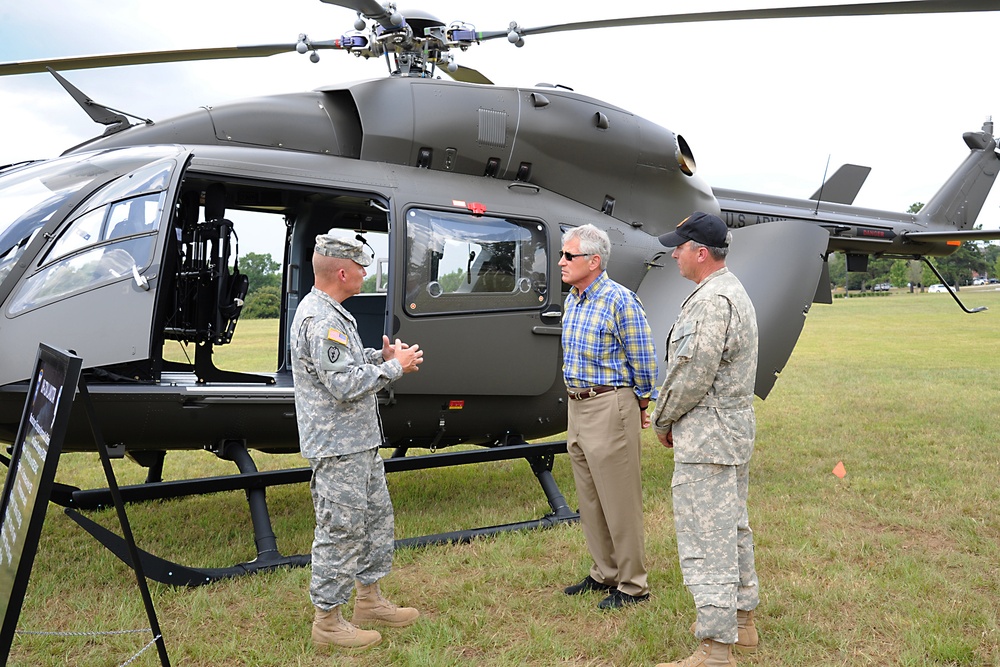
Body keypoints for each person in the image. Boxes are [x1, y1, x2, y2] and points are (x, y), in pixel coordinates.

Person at [290, 230, 424, 651]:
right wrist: (395, 369)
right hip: (338, 447)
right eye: (362, 268)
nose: (367, 274)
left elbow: (342, 365)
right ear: (342, 271)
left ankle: (369, 601)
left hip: (357, 443)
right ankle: (327, 622)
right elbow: (344, 385)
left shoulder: (331, 311)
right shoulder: (322, 318)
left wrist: (377, 358)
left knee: (374, 521)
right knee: (341, 530)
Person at [650, 212, 760, 667]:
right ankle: (744, 622)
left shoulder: (712, 300)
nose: (673, 252)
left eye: (679, 245)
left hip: (709, 436)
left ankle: (716, 649)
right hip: (728, 432)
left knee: (707, 536)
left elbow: (692, 374)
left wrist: (662, 418)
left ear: (700, 252)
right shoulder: (730, 290)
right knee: (732, 528)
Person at [559, 224, 658, 610]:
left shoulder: (621, 301)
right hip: (577, 405)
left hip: (609, 404)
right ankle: (605, 572)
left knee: (619, 500)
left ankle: (633, 585)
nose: (562, 261)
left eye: (570, 256)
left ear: (594, 261)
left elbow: (643, 358)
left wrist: (642, 403)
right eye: (563, 254)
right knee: (590, 497)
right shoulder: (574, 299)